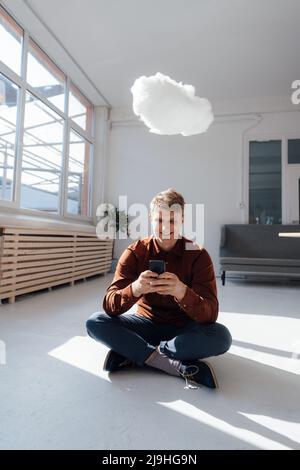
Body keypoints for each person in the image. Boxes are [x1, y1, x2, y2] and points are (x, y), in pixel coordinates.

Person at [86, 188, 232, 390]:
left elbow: (210, 314)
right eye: (160, 220)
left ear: (182, 220)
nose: (165, 227)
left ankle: (136, 353)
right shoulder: (135, 252)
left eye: (172, 220)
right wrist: (135, 289)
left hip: (184, 329)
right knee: (95, 322)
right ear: (150, 219)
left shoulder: (198, 255)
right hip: (145, 324)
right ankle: (171, 363)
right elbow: (110, 305)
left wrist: (182, 292)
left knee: (222, 337)